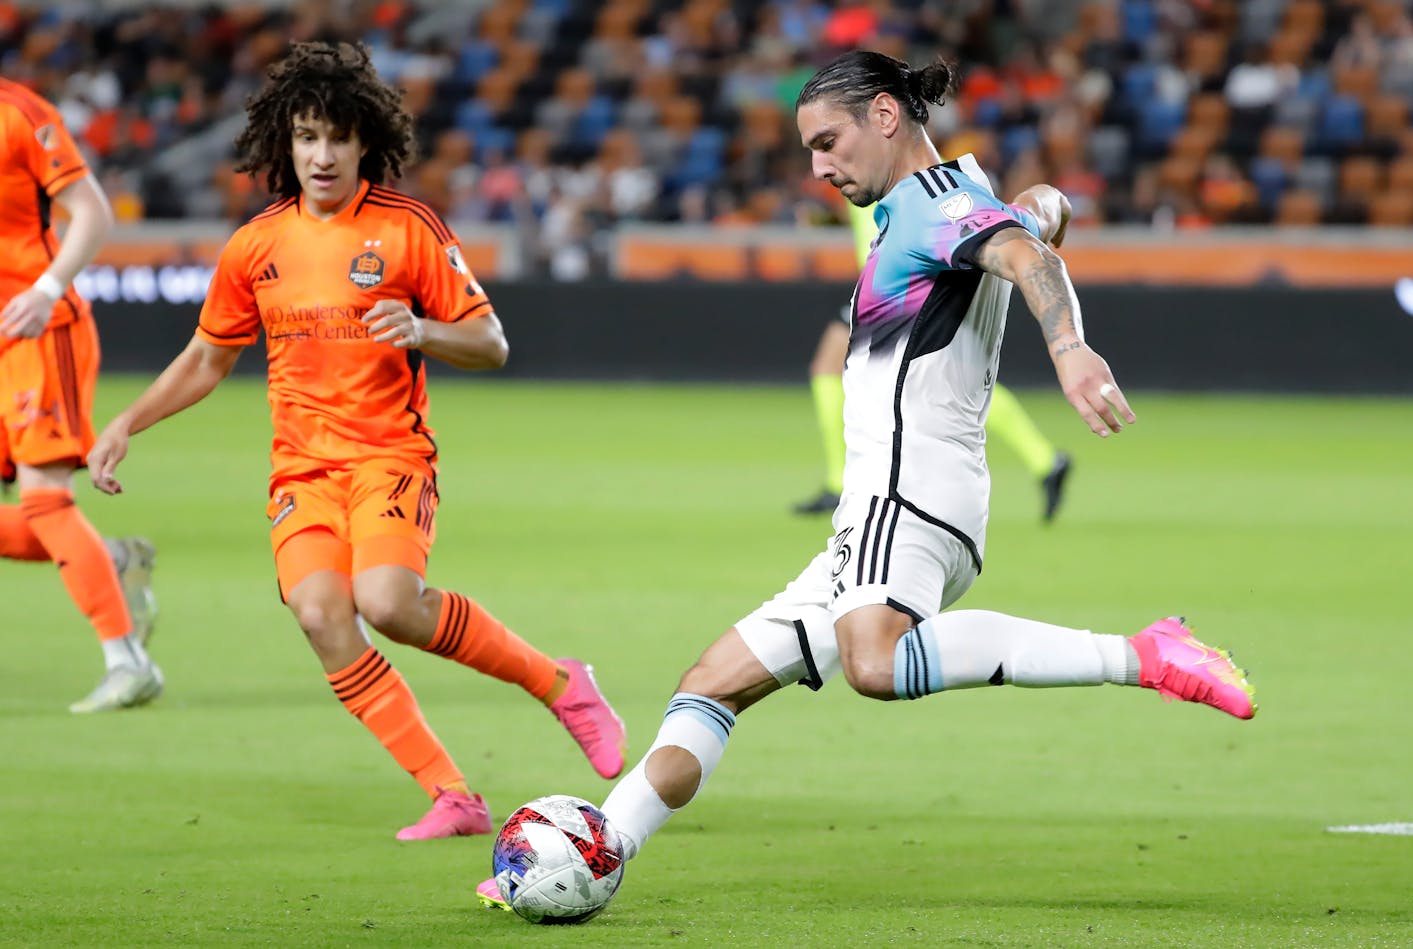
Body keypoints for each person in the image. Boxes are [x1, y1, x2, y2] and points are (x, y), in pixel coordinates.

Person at [477, 50, 1256, 909]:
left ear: (887, 115)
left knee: (874, 665)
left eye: (828, 141)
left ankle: (1143, 653)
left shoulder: (931, 205)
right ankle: (602, 844)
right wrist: (1045, 209)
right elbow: (1036, 222)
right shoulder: (957, 192)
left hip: (908, 490)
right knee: (713, 682)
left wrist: (1070, 349)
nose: (817, 166)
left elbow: (1030, 260)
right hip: (885, 508)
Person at [86, 42, 626, 840]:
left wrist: (423, 328)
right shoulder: (256, 246)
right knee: (318, 612)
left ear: (364, 141)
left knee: (385, 601)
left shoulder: (408, 230)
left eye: (337, 137)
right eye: (307, 137)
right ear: (286, 144)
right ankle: (453, 794)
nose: (323, 154)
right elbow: (208, 357)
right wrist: (127, 421)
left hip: (388, 459)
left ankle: (559, 681)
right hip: (302, 470)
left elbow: (492, 343)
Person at [0, 77, 159, 714]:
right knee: (51, 523)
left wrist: (46, 288)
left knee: (43, 501)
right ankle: (103, 559)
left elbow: (92, 209)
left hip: (39, 325)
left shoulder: (20, 113)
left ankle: (128, 661)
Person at [793, 200, 1071, 520]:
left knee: (945, 381)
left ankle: (840, 480)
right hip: (887, 280)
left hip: (896, 281)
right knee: (948, 379)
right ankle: (1046, 460)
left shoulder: (883, 166)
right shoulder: (860, 167)